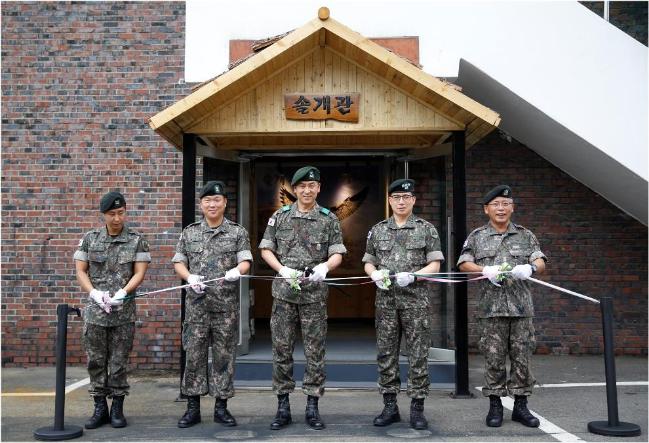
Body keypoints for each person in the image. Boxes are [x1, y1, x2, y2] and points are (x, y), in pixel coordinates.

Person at [259, 166, 346, 431]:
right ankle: (282, 406)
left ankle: (312, 406)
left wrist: (325, 268)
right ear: (294, 190)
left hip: (314, 296)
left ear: (319, 188)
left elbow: (337, 252)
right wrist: (282, 269)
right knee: (281, 351)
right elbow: (265, 249)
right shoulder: (280, 217)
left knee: (314, 353)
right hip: (284, 294)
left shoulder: (328, 218)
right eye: (302, 186)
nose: (307, 190)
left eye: (312, 185)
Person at [457, 185, 546, 428]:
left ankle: (521, 406)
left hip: (521, 310)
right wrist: (484, 269)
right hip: (491, 310)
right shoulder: (477, 236)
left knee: (522, 358)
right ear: (487, 209)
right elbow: (464, 264)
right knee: (493, 359)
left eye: (506, 204)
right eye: (495, 204)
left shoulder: (526, 235)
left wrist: (530, 268)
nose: (501, 208)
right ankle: (495, 405)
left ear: (512, 207)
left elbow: (539, 260)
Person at [362, 178, 444, 430]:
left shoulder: (426, 228)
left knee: (418, 355)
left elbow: (436, 264)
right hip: (386, 303)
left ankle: (417, 408)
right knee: (387, 354)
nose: (401, 201)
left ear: (413, 200)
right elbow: (368, 262)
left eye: (405, 197)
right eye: (396, 197)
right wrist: (373, 274)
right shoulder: (378, 230)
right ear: (389, 201)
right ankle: (390, 406)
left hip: (415, 302)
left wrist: (416, 275)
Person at [172, 180, 252, 428]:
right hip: (197, 307)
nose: (212, 204)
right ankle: (192, 407)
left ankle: (221, 407)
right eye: (207, 200)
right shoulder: (190, 232)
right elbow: (178, 261)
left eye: (217, 200)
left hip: (225, 308)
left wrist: (236, 271)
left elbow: (246, 261)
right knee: (194, 356)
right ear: (201, 204)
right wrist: (188, 277)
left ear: (225, 203)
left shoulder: (237, 232)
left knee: (223, 358)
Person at [74, 191, 151, 429]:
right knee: (96, 361)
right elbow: (81, 271)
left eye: (121, 213)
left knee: (119, 362)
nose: (117, 218)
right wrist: (94, 293)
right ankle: (100, 408)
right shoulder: (90, 238)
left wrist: (123, 293)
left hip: (123, 312)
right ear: (103, 215)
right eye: (111, 214)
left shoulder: (136, 239)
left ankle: (117, 407)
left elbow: (139, 272)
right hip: (96, 312)